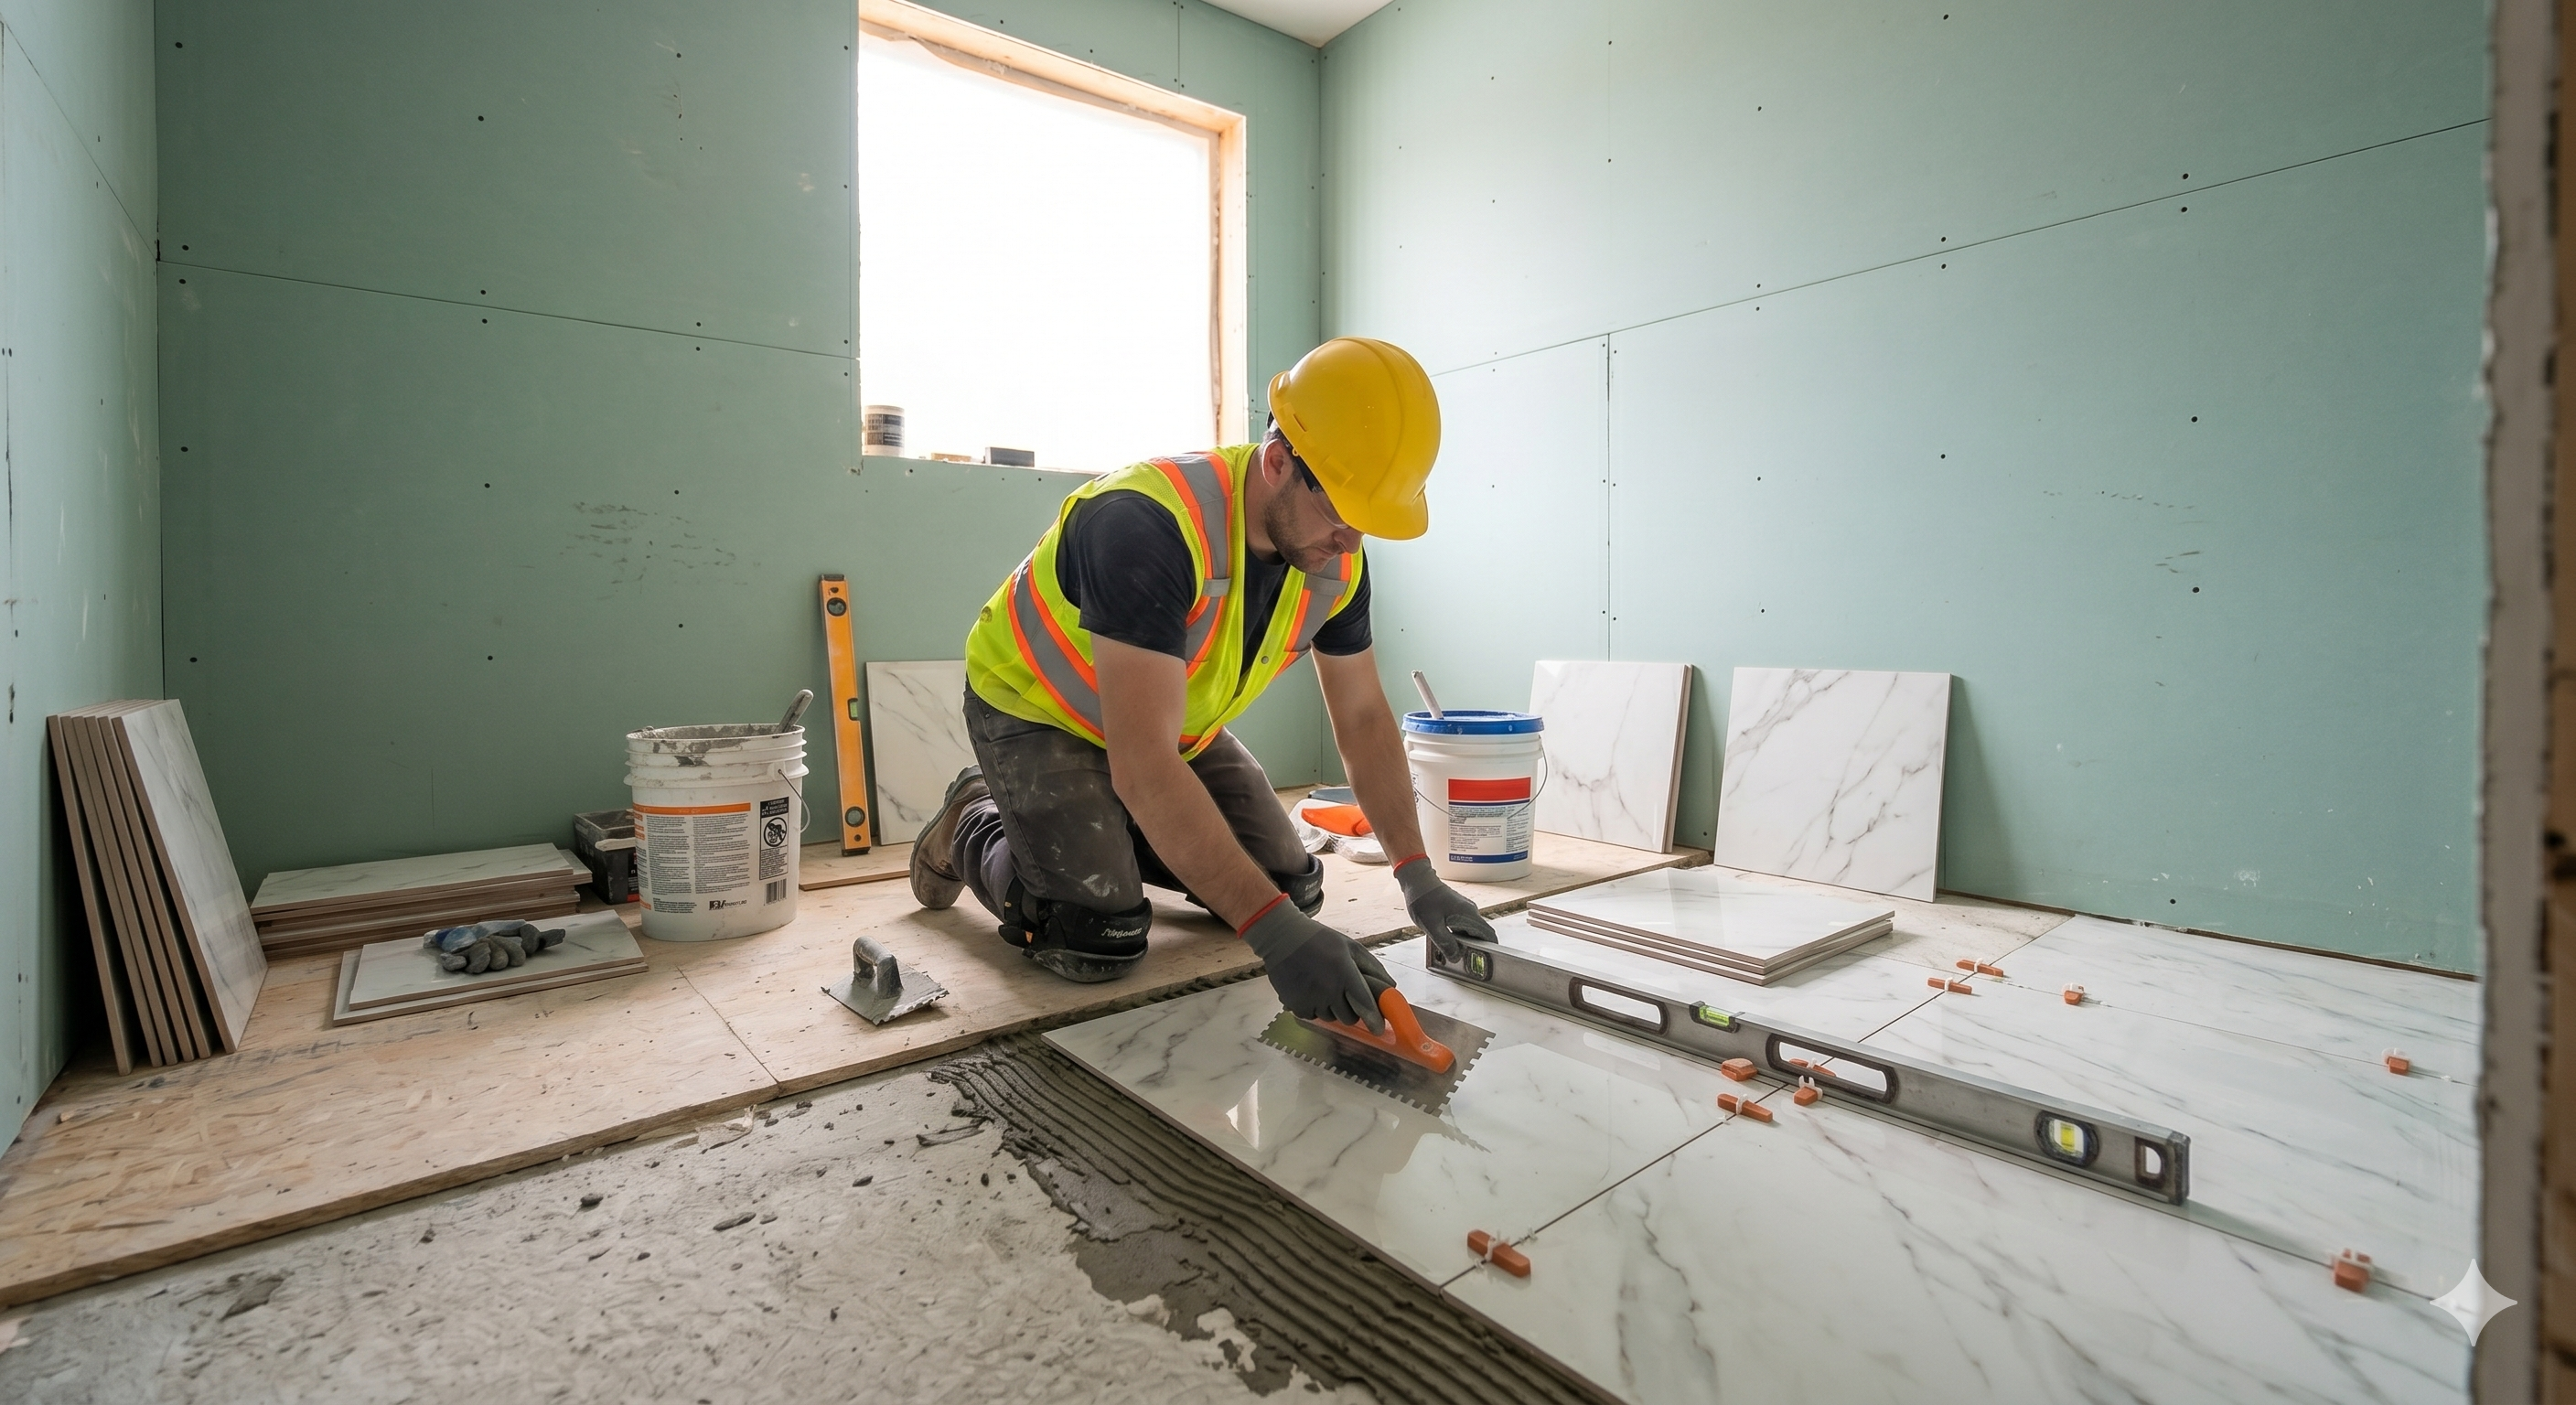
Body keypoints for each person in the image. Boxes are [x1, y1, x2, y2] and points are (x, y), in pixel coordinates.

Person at [908, 337, 1497, 1033]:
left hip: (1168, 731)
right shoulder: (1145, 525)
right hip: (1039, 709)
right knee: (1098, 934)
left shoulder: (1336, 562)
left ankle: (1106, 825)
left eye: (1365, 525)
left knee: (1291, 889)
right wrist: (1274, 944)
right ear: (1279, 462)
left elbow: (1365, 718)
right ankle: (971, 819)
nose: (1349, 544)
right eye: (1341, 514)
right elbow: (1144, 764)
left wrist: (1416, 874)